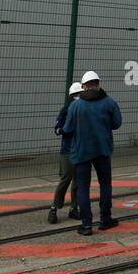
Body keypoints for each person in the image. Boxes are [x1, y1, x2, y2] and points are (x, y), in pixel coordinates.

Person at [66, 70, 122, 236]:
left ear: (83, 86)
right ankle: (105, 219)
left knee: (83, 187)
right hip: (103, 150)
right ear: (99, 84)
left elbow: (68, 128)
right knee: (105, 185)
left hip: (81, 151)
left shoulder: (75, 106)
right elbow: (117, 123)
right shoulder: (109, 102)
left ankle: (86, 225)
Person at [48, 82, 84, 224]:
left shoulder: (84, 110)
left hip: (80, 150)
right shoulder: (66, 110)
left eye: (79, 94)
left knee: (77, 181)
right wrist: (65, 129)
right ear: (72, 96)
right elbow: (57, 128)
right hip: (68, 150)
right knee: (66, 178)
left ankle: (74, 208)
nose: (78, 97)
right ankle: (54, 208)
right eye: (76, 95)